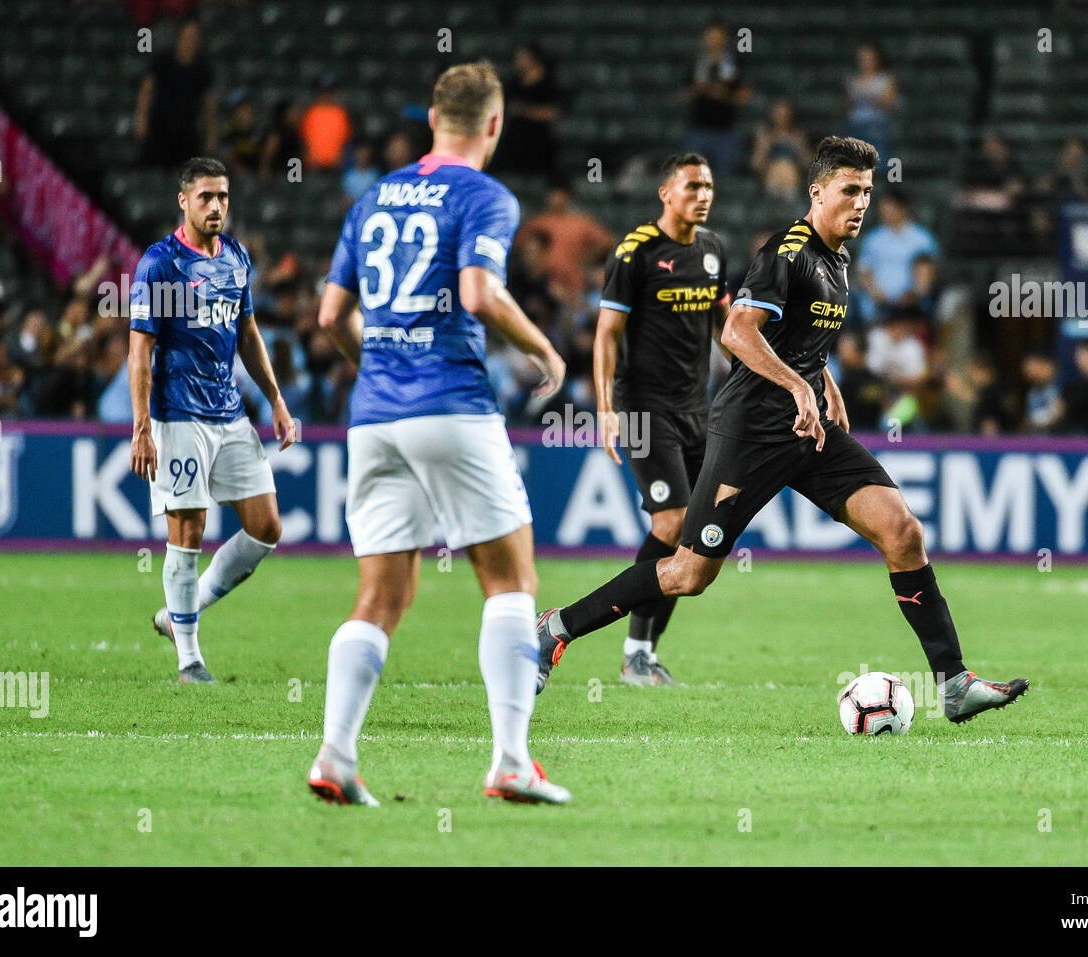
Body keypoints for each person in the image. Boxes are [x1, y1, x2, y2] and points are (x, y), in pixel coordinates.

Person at [533, 136, 1029, 726]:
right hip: (754, 430)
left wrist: (823, 384)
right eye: (850, 190)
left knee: (902, 532)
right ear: (816, 193)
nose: (861, 202)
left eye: (867, 192)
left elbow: (802, 342)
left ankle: (952, 681)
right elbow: (737, 333)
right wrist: (798, 386)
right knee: (689, 573)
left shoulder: (839, 260)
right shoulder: (786, 252)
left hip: (810, 428)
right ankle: (556, 628)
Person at [310, 61, 571, 807]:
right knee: (510, 579)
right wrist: (543, 348)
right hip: (451, 403)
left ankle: (336, 754)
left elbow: (330, 316)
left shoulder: (372, 197)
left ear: (431, 118)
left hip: (375, 416)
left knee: (379, 598)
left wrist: (380, 368)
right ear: (494, 125)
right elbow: (480, 292)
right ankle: (512, 760)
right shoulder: (485, 195)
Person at [128, 157, 297, 684]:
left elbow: (247, 334)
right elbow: (140, 351)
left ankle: (179, 614)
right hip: (178, 417)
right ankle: (189, 658)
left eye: (223, 196)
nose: (217, 205)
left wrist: (276, 399)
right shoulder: (159, 263)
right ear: (184, 201)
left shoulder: (237, 258)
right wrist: (141, 426)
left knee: (266, 526)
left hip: (229, 412)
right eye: (206, 197)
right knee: (189, 528)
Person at [586, 152, 728, 687]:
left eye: (709, 186)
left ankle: (643, 651)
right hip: (645, 408)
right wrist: (604, 407)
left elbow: (725, 328)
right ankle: (635, 652)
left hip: (698, 408)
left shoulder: (712, 251)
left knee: (692, 538)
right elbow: (607, 334)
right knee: (671, 523)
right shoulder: (636, 252)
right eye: (692, 186)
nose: (703, 195)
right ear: (666, 193)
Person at [134, 19, 215, 168]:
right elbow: (146, 89)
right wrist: (141, 118)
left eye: (193, 37)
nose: (189, 41)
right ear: (178, 37)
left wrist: (211, 133)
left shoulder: (202, 68)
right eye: (186, 36)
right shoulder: (163, 61)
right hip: (159, 128)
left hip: (187, 130)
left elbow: (209, 103)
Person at [515, 183, 613, 297]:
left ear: (568, 196)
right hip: (542, 287)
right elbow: (518, 245)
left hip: (575, 285)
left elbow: (608, 242)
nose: (556, 199)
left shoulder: (581, 222)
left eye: (559, 194)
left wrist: (589, 258)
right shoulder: (537, 222)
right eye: (553, 194)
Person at [855, 192, 939, 324]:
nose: (886, 213)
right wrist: (877, 294)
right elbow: (864, 271)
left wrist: (913, 296)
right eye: (883, 210)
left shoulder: (922, 238)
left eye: (890, 209)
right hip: (877, 309)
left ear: (903, 208)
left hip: (912, 311)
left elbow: (928, 275)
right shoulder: (872, 239)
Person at [684, 21, 750, 176]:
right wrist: (699, 90)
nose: (715, 41)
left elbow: (744, 97)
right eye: (711, 37)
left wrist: (723, 94)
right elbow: (684, 96)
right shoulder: (695, 64)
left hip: (726, 130)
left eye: (718, 37)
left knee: (726, 176)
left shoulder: (735, 65)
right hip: (698, 129)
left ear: (725, 39)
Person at [495, 42, 563, 176]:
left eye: (522, 57)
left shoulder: (548, 84)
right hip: (515, 141)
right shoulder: (514, 83)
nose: (518, 61)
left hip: (538, 143)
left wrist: (524, 110)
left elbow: (552, 112)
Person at [842, 43, 897, 159]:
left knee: (876, 155)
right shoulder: (852, 80)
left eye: (869, 58)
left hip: (876, 125)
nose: (866, 62)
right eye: (862, 59)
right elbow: (845, 104)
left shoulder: (885, 79)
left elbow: (889, 101)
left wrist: (867, 97)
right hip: (855, 124)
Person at [750, 99, 812, 199]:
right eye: (778, 113)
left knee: (786, 167)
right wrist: (765, 145)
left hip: (792, 182)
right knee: (779, 167)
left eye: (785, 113)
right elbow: (755, 165)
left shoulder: (799, 136)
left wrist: (798, 146)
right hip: (770, 179)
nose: (781, 117)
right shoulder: (765, 135)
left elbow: (808, 164)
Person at [300, 76, 352, 171]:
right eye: (324, 92)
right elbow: (304, 139)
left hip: (335, 164)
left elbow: (345, 140)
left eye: (330, 92)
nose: (327, 95)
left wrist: (341, 159)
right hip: (314, 164)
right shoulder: (311, 113)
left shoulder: (340, 113)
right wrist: (309, 158)